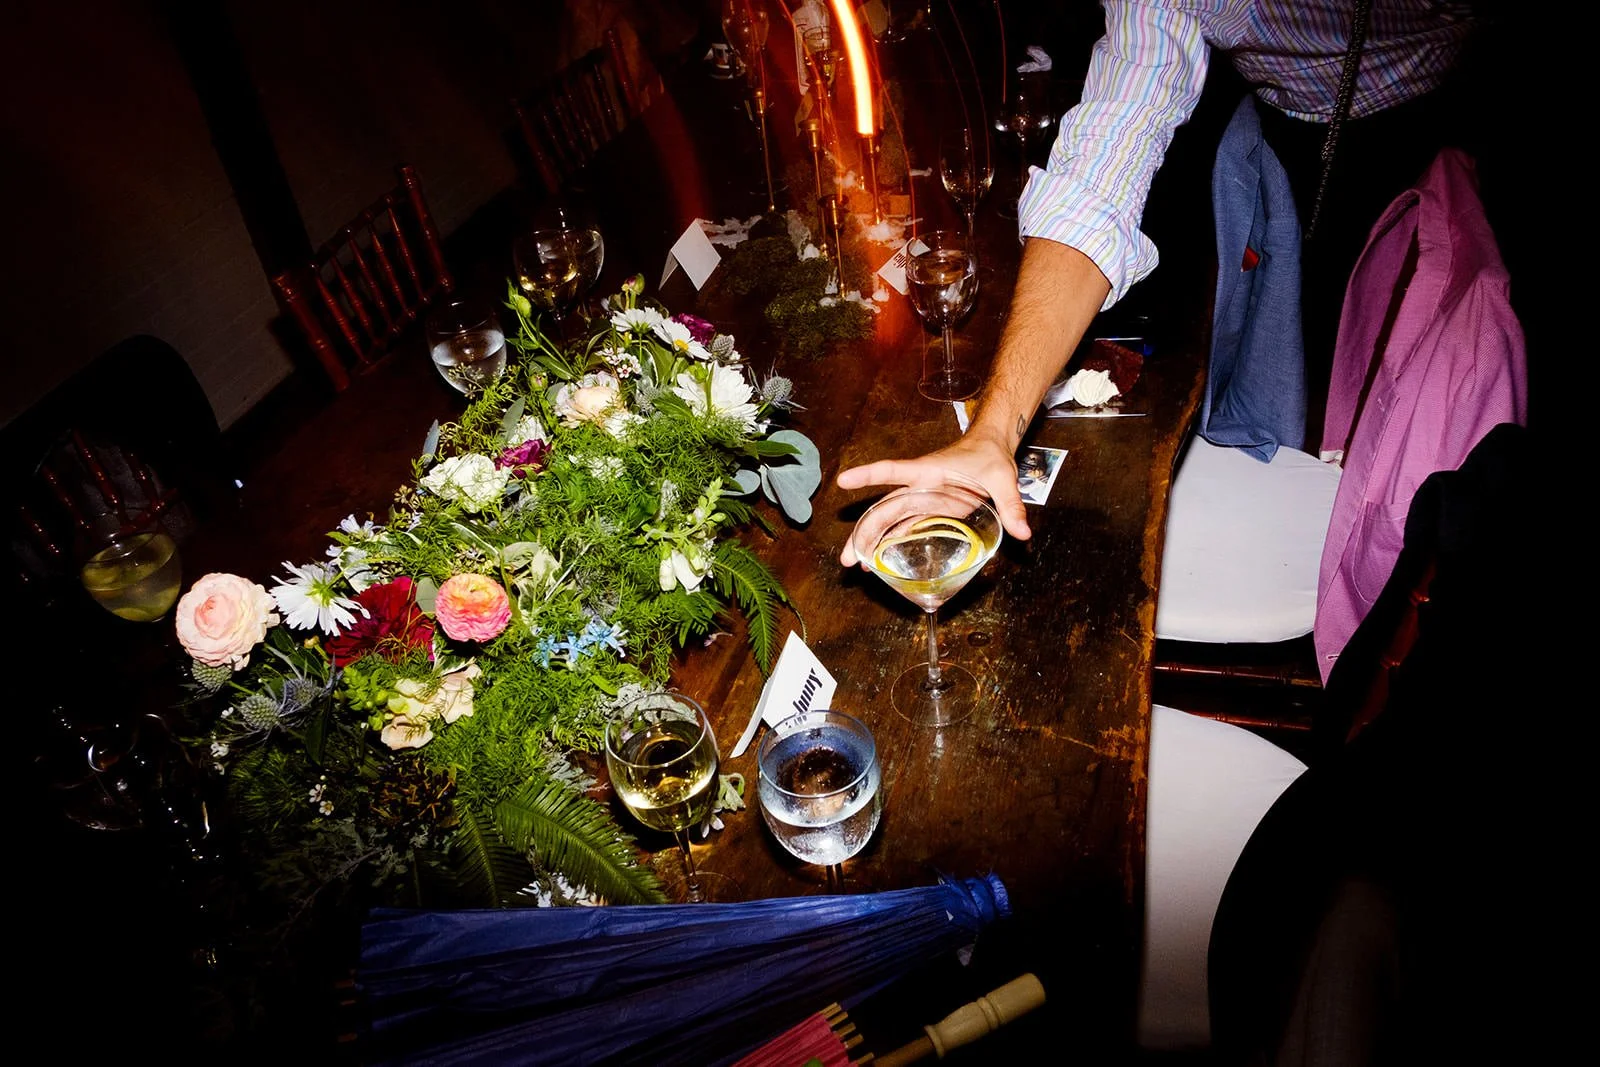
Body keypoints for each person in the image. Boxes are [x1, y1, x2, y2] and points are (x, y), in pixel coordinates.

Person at [837, 1, 1515, 564]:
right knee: (1284, 391)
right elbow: (1097, 178)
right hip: (1295, 129)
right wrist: (992, 431)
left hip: (1462, 104)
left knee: (1416, 436)